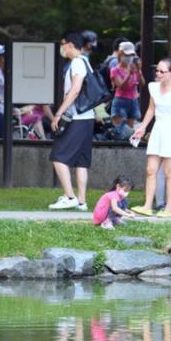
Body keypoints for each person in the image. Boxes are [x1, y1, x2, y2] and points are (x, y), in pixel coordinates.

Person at [129, 58, 171, 218]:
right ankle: (148, 206)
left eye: (162, 71)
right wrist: (142, 127)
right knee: (151, 170)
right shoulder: (153, 87)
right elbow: (151, 109)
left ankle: (168, 208)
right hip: (158, 129)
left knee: (169, 173)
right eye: (157, 70)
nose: (159, 74)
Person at [49, 32, 97, 211]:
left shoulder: (77, 62)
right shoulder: (85, 61)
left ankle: (70, 196)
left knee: (58, 156)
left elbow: (75, 89)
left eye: (63, 45)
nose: (62, 49)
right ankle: (82, 201)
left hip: (77, 116)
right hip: (87, 116)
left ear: (69, 45)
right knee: (81, 161)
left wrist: (58, 113)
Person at [109, 41, 143, 139]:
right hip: (120, 101)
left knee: (129, 131)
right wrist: (129, 74)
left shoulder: (134, 68)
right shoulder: (115, 70)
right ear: (120, 54)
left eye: (131, 55)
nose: (129, 57)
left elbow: (142, 83)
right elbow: (121, 86)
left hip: (133, 100)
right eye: (127, 55)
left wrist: (139, 71)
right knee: (119, 131)